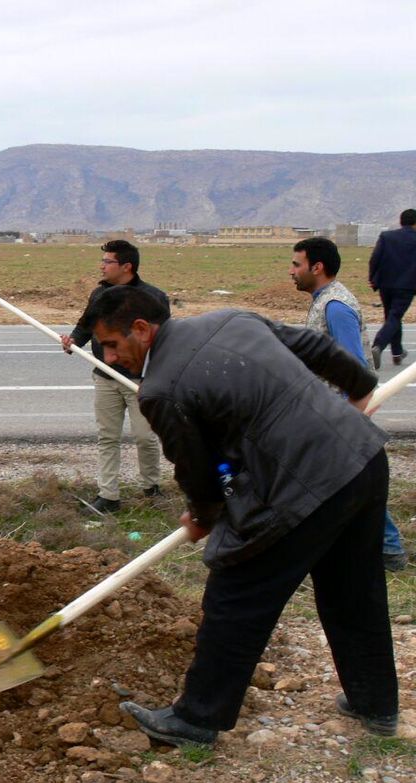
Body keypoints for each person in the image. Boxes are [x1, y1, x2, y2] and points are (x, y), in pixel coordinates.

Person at [85, 286, 397, 748]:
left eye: (112, 344)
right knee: (354, 589)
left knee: (236, 594)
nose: (110, 357)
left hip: (303, 487)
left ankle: (196, 718)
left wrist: (205, 515)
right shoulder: (232, 319)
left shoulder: (161, 389)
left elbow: (195, 469)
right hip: (361, 460)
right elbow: (315, 348)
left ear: (141, 329)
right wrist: (360, 387)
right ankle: (376, 704)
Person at [291, 236, 407, 571]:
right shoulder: (324, 300)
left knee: (353, 483)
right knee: (343, 483)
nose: (292, 271)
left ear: (318, 267)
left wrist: (347, 416)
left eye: (297, 264)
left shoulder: (335, 306)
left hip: (339, 416)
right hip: (329, 413)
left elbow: (354, 367)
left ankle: (388, 550)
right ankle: (378, 549)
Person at [60, 239, 168, 513]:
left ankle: (152, 489)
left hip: (140, 380)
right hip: (105, 377)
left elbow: (165, 339)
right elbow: (86, 324)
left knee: (145, 436)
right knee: (107, 437)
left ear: (126, 266)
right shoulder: (99, 295)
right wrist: (73, 341)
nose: (102, 266)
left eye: (108, 262)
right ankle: (108, 496)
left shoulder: (153, 297)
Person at [368, 208, 416, 369]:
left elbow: (375, 258)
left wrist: (372, 278)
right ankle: (378, 345)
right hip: (407, 286)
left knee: (392, 317)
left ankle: (397, 352)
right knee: (395, 317)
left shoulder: (387, 236)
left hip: (385, 284)